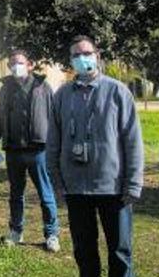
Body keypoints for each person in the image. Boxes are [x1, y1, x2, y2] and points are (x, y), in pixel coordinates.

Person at [48, 36, 144, 277]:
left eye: (87, 53)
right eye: (76, 55)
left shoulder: (117, 92)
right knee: (84, 251)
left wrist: (133, 184)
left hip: (113, 187)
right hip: (76, 188)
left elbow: (132, 141)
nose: (82, 59)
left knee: (120, 252)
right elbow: (53, 143)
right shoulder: (61, 95)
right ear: (70, 61)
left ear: (97, 56)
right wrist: (57, 182)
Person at [0, 49, 60, 251]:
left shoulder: (42, 86)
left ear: (29, 65)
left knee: (45, 194)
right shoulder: (6, 89)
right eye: (11, 63)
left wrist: (56, 145)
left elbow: (54, 118)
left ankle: (52, 234)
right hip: (13, 150)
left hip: (38, 150)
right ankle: (16, 231)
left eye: (19, 62)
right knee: (15, 194)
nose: (15, 66)